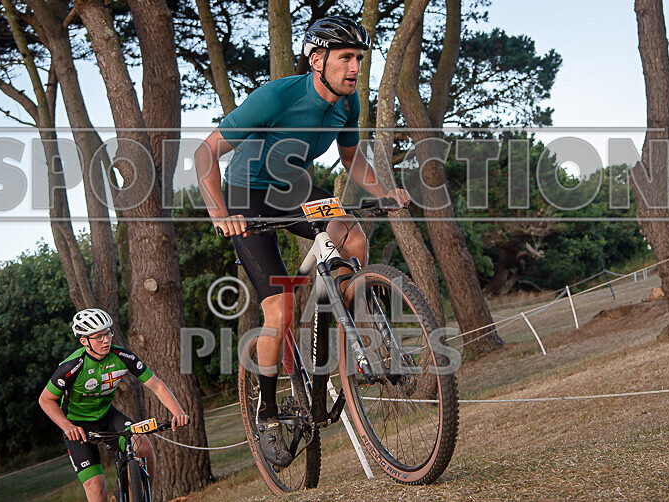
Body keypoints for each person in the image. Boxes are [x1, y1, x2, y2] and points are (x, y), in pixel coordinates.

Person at [194, 16, 410, 467]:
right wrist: (220, 214)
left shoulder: (348, 102)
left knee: (352, 239)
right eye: (345, 57)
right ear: (317, 60)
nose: (355, 67)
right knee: (281, 309)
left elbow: (352, 158)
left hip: (295, 189)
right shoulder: (277, 96)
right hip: (247, 196)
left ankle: (358, 343)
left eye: (359, 58)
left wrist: (384, 192)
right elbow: (205, 152)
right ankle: (268, 412)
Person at [38, 308, 190, 502]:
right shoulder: (72, 365)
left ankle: (143, 498)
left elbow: (157, 385)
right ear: (84, 341)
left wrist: (178, 413)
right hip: (77, 424)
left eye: (108, 333)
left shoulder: (121, 356)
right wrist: (67, 426)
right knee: (96, 487)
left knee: (143, 447)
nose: (106, 340)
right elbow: (45, 400)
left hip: (107, 416)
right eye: (99, 337)